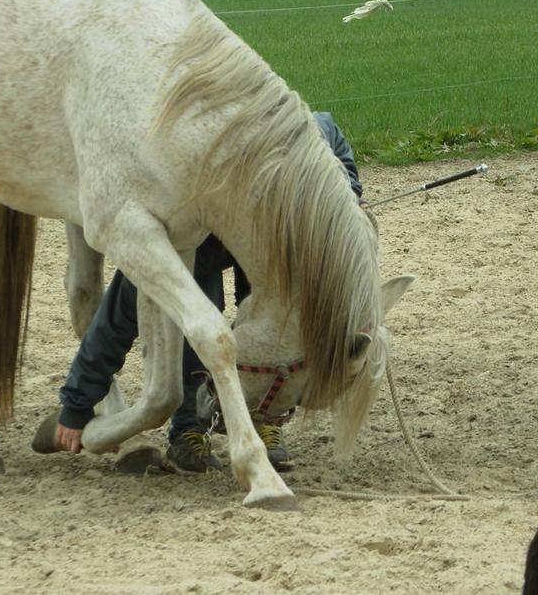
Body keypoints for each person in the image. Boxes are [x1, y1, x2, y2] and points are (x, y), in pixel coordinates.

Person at [48, 112, 363, 473]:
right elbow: (122, 309)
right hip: (208, 224)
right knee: (199, 313)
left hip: (262, 224)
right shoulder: (197, 212)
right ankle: (189, 431)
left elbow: (328, 129)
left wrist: (352, 196)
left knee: (278, 326)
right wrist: (78, 402)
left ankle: (264, 423)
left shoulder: (305, 149)